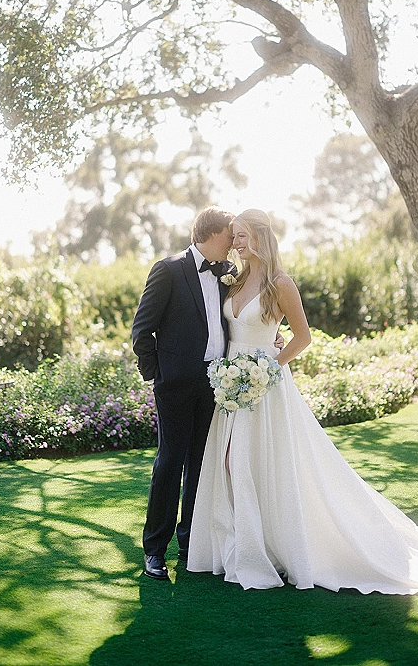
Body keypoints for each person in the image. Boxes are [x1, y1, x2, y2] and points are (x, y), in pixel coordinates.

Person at [188, 209, 418, 595]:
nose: (236, 242)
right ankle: (243, 545)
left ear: (261, 236)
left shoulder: (281, 284)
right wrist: (237, 372)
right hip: (233, 387)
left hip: (265, 385)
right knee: (231, 462)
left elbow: (302, 337)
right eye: (234, 236)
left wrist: (265, 366)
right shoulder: (235, 279)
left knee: (261, 462)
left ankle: (265, 549)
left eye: (242, 235)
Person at [132, 206, 283, 581]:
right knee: (170, 463)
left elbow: (242, 316)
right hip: (175, 385)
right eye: (230, 237)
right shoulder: (167, 270)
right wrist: (158, 376)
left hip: (217, 385)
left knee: (203, 465)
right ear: (213, 235)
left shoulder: (228, 275)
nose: (234, 244)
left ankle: (191, 543)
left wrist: (271, 336)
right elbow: (142, 330)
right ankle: (154, 550)